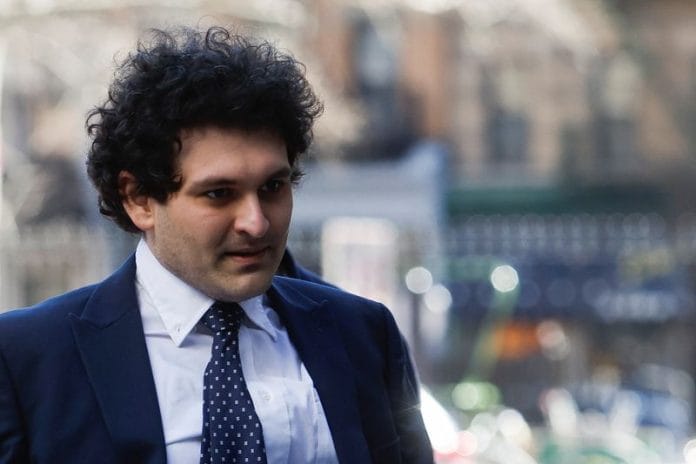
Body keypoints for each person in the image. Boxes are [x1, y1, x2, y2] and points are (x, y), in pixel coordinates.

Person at [0, 26, 433, 463]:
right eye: (219, 193)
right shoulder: (28, 358)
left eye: (273, 186)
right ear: (139, 199)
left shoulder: (363, 334)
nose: (256, 222)